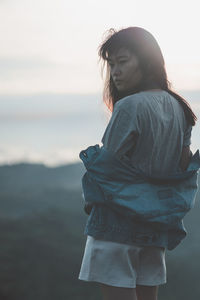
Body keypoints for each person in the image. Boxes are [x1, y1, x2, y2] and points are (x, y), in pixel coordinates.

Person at [78, 27, 198, 300]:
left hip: (115, 228)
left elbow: (105, 171)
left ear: (146, 61)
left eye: (123, 62)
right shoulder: (179, 108)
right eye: (111, 64)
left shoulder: (129, 106)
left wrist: (90, 201)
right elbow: (182, 170)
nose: (115, 72)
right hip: (154, 231)